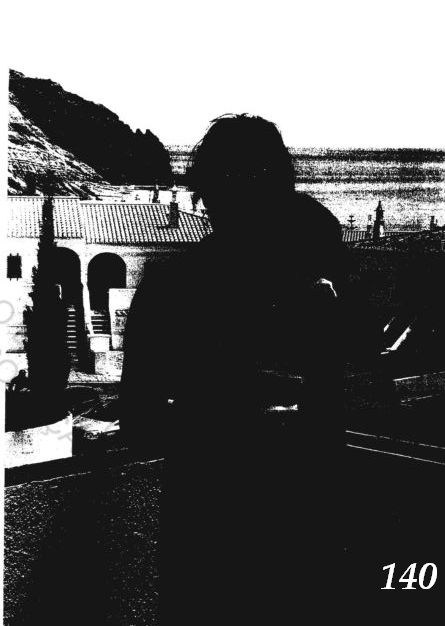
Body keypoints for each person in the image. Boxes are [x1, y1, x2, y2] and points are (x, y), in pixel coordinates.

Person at [120, 114, 346, 620]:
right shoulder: (314, 296)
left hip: (205, 523)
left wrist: (211, 414)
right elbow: (343, 405)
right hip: (299, 527)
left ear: (205, 194)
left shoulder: (168, 286)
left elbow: (138, 422)